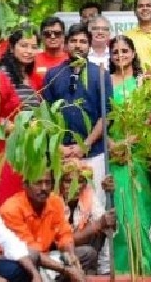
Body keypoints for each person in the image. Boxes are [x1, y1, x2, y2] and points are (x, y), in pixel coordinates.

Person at [42, 23, 113, 205]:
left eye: (83, 41)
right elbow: (46, 116)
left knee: (95, 204)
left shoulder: (100, 74)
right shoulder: (53, 75)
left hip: (93, 152)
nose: (78, 45)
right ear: (66, 45)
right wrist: (58, 147)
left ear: (89, 46)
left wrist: (85, 145)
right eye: (73, 41)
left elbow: (107, 115)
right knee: (62, 205)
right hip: (61, 152)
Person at [107, 34, 151, 275]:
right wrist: (111, 145)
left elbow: (148, 120)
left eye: (125, 51)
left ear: (133, 53)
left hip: (136, 154)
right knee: (120, 210)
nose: (120, 56)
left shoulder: (141, 83)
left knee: (141, 210)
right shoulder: (105, 82)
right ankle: (123, 269)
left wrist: (126, 144)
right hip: (113, 156)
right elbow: (99, 119)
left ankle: (145, 266)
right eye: (115, 52)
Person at [0, 26, 43, 206]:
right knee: (7, 204)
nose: (29, 51)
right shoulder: (0, 77)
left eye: (33, 47)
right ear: (12, 47)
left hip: (28, 154)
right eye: (24, 46)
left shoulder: (32, 78)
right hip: (5, 155)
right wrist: (18, 129)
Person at [0, 170, 88, 282]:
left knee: (87, 254)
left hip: (45, 255)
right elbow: (29, 252)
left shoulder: (55, 201)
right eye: (38, 183)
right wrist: (66, 269)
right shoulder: (11, 209)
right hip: (17, 260)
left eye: (48, 183)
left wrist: (71, 257)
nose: (44, 188)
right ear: (25, 185)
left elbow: (64, 234)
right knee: (32, 262)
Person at [59, 159, 116, 275]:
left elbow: (107, 224)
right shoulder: (52, 201)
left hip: (82, 249)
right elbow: (61, 241)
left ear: (85, 184)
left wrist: (113, 197)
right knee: (88, 252)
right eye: (68, 181)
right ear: (60, 183)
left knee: (101, 231)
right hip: (59, 252)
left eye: (79, 181)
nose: (74, 187)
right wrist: (97, 225)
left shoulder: (88, 195)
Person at [125, 0, 151, 69]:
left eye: (148, 5)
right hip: (133, 80)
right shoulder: (126, 37)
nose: (144, 8)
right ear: (134, 11)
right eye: (140, 6)